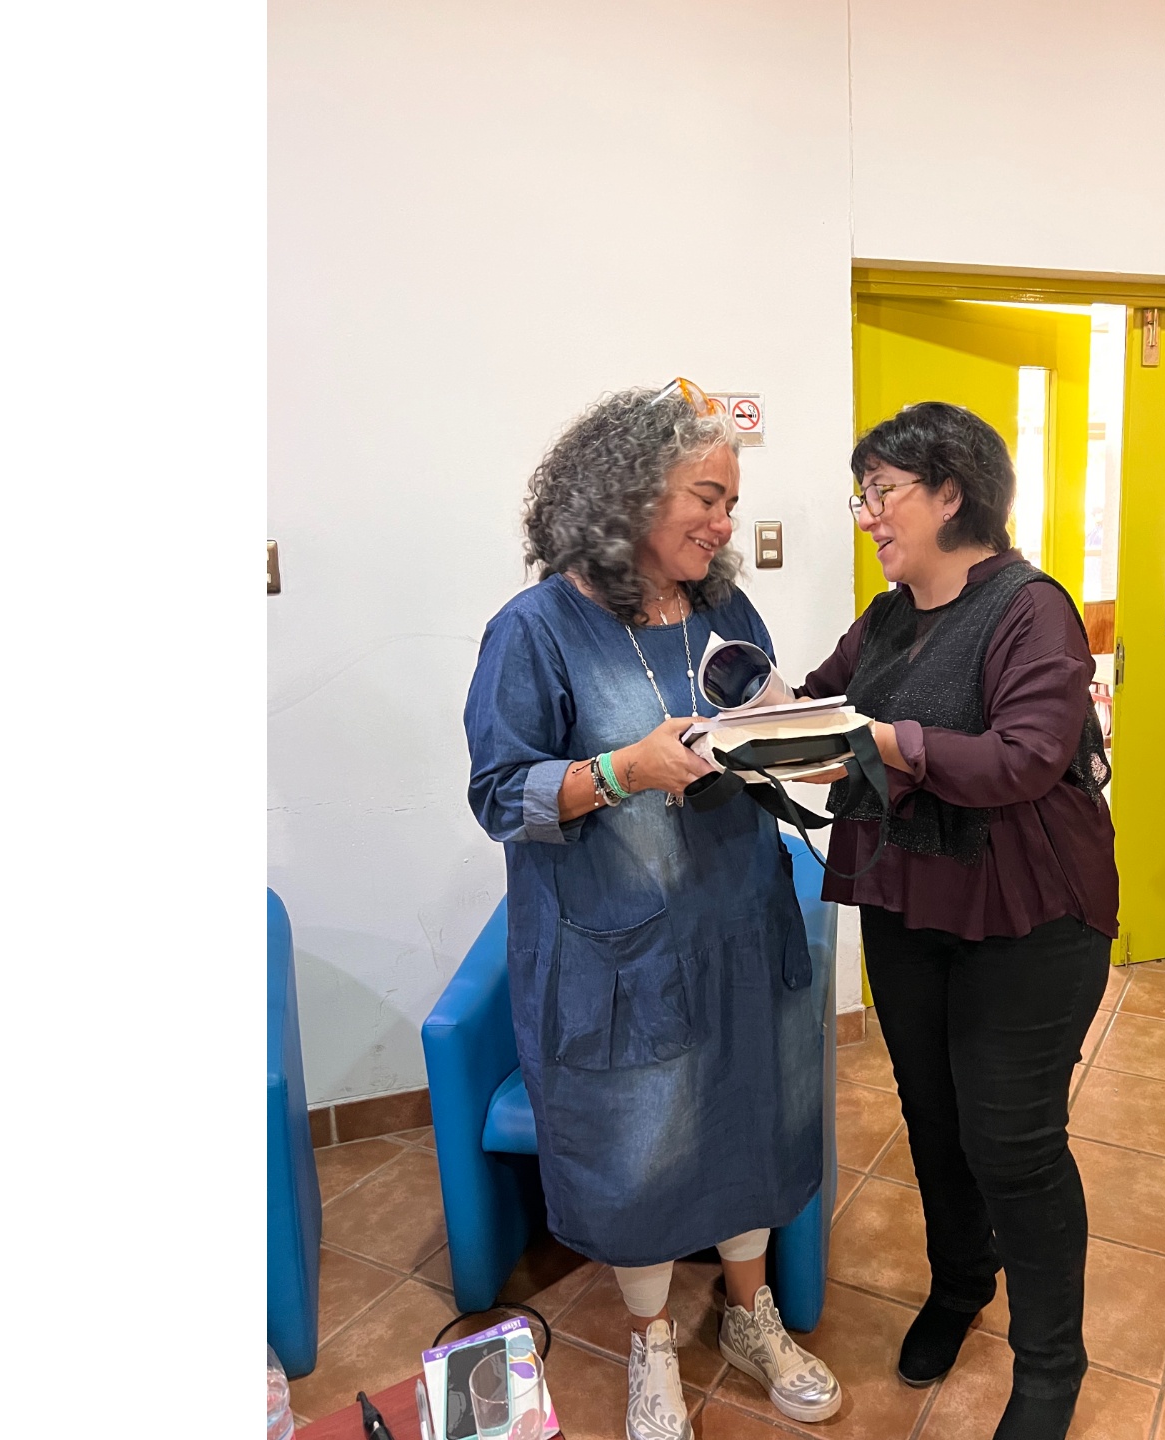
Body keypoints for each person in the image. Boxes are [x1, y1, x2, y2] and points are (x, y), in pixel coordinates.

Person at [463, 382, 842, 1440]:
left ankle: (751, 1317)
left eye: (731, 503)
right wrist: (621, 771)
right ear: (628, 493)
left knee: (753, 1115)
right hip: (616, 950)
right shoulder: (536, 631)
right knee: (638, 1148)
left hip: (738, 920)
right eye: (706, 499)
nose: (724, 525)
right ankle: (651, 1343)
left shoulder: (726, 611)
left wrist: (808, 737)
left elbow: (761, 715)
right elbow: (499, 795)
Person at [798, 401, 1118, 1440]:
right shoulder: (888, 616)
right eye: (863, 495)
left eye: (880, 493)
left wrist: (888, 742)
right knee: (934, 1119)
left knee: (1012, 1142)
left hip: (1030, 918)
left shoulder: (1033, 610)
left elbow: (1024, 759)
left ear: (950, 494)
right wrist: (748, 726)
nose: (867, 516)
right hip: (911, 901)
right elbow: (817, 705)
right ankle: (959, 1282)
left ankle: (1051, 1366)